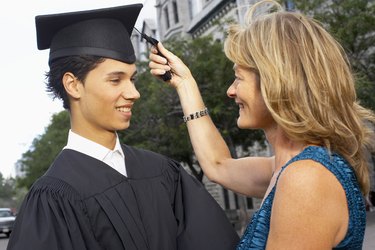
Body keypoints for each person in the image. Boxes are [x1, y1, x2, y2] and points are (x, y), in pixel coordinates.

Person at [7, 4, 240, 250]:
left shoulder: (164, 172)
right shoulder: (52, 199)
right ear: (73, 85)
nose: (134, 93)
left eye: (132, 79)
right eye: (116, 80)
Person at [148, 0, 375, 249]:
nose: (230, 91)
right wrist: (185, 83)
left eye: (238, 78)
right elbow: (218, 165)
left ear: (275, 82)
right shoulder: (288, 167)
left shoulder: (307, 178)